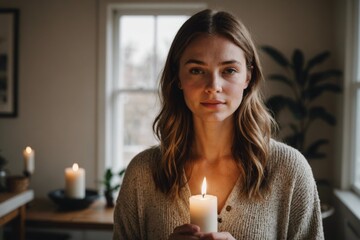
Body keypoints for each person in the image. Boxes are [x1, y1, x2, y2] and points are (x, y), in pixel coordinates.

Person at [113, 9, 324, 240]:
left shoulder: (289, 170)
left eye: (229, 70)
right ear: (178, 78)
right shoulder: (142, 173)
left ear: (248, 77)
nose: (213, 85)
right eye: (196, 70)